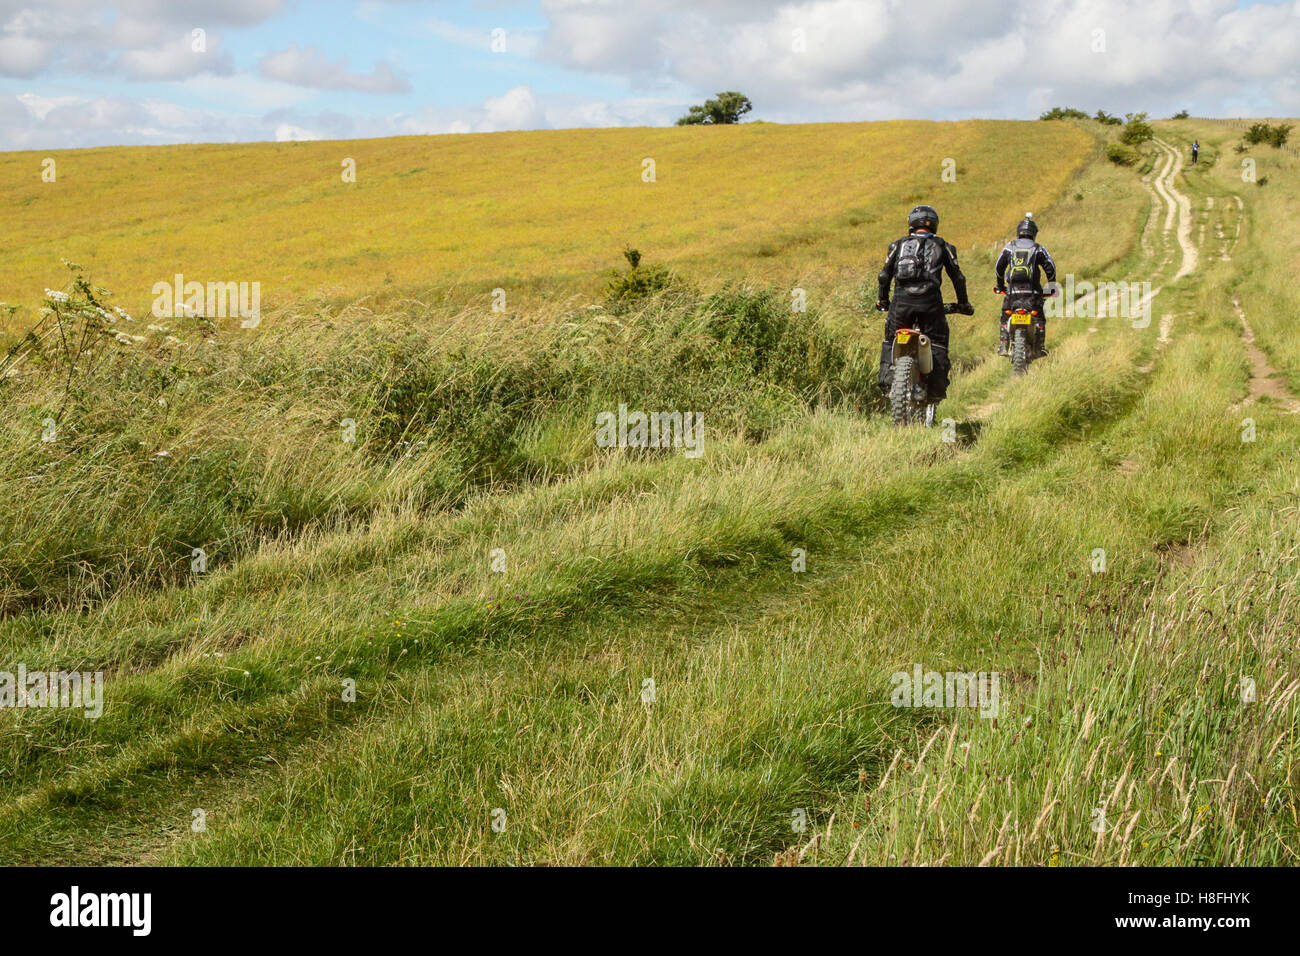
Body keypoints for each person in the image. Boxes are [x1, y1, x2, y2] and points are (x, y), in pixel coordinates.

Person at [875, 205, 973, 406]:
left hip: (901, 302)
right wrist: (963, 304)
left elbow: (884, 276)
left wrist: (883, 301)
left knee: (890, 339)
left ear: (911, 223)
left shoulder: (897, 245)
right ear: (934, 224)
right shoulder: (943, 245)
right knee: (937, 341)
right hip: (930, 303)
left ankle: (888, 383)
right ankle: (935, 391)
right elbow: (958, 278)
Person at [994, 213, 1057, 356]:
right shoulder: (1038, 248)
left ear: (1018, 232)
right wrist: (1051, 286)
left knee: (1005, 316)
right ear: (1034, 233)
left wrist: (1000, 285)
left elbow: (999, 267)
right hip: (1033, 293)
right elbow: (1050, 268)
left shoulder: (1009, 247)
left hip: (1012, 293)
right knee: (1039, 318)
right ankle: (1039, 347)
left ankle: (1003, 345)